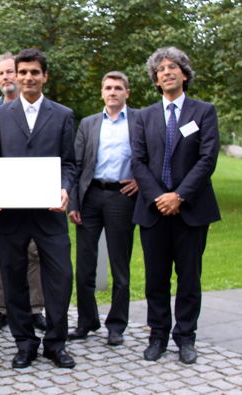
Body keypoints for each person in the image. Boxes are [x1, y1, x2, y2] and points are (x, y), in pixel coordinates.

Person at [0, 48, 76, 369]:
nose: (27, 78)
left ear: (44, 76)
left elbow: (70, 163)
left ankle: (55, 343)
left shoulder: (63, 115)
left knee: (61, 278)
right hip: (9, 214)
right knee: (13, 279)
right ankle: (24, 343)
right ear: (16, 75)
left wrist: (66, 189)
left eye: (34, 72)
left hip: (50, 213)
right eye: (22, 72)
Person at [132, 47, 220, 364]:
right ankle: (158, 336)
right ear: (155, 79)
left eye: (173, 67)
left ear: (184, 73)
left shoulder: (204, 112)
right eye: (161, 69)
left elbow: (207, 159)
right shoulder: (143, 117)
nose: (167, 72)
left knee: (188, 278)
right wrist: (160, 197)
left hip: (191, 210)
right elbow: (138, 162)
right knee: (155, 278)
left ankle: (186, 338)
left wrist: (179, 196)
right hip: (154, 211)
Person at [67, 71, 138, 346]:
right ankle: (87, 321)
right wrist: (74, 201)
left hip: (122, 196)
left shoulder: (139, 121)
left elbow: (149, 157)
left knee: (120, 265)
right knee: (84, 265)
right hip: (91, 197)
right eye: (108, 88)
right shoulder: (88, 123)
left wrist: (141, 183)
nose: (113, 92)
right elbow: (75, 164)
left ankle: (116, 325)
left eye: (118, 88)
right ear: (102, 92)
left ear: (127, 93)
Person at [0, 53, 46, 333]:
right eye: (2, 74)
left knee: (34, 253)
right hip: (4, 192)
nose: (7, 77)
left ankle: (34, 309)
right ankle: (1, 309)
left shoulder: (38, 109)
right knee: (1, 255)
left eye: (11, 72)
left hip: (35, 191)